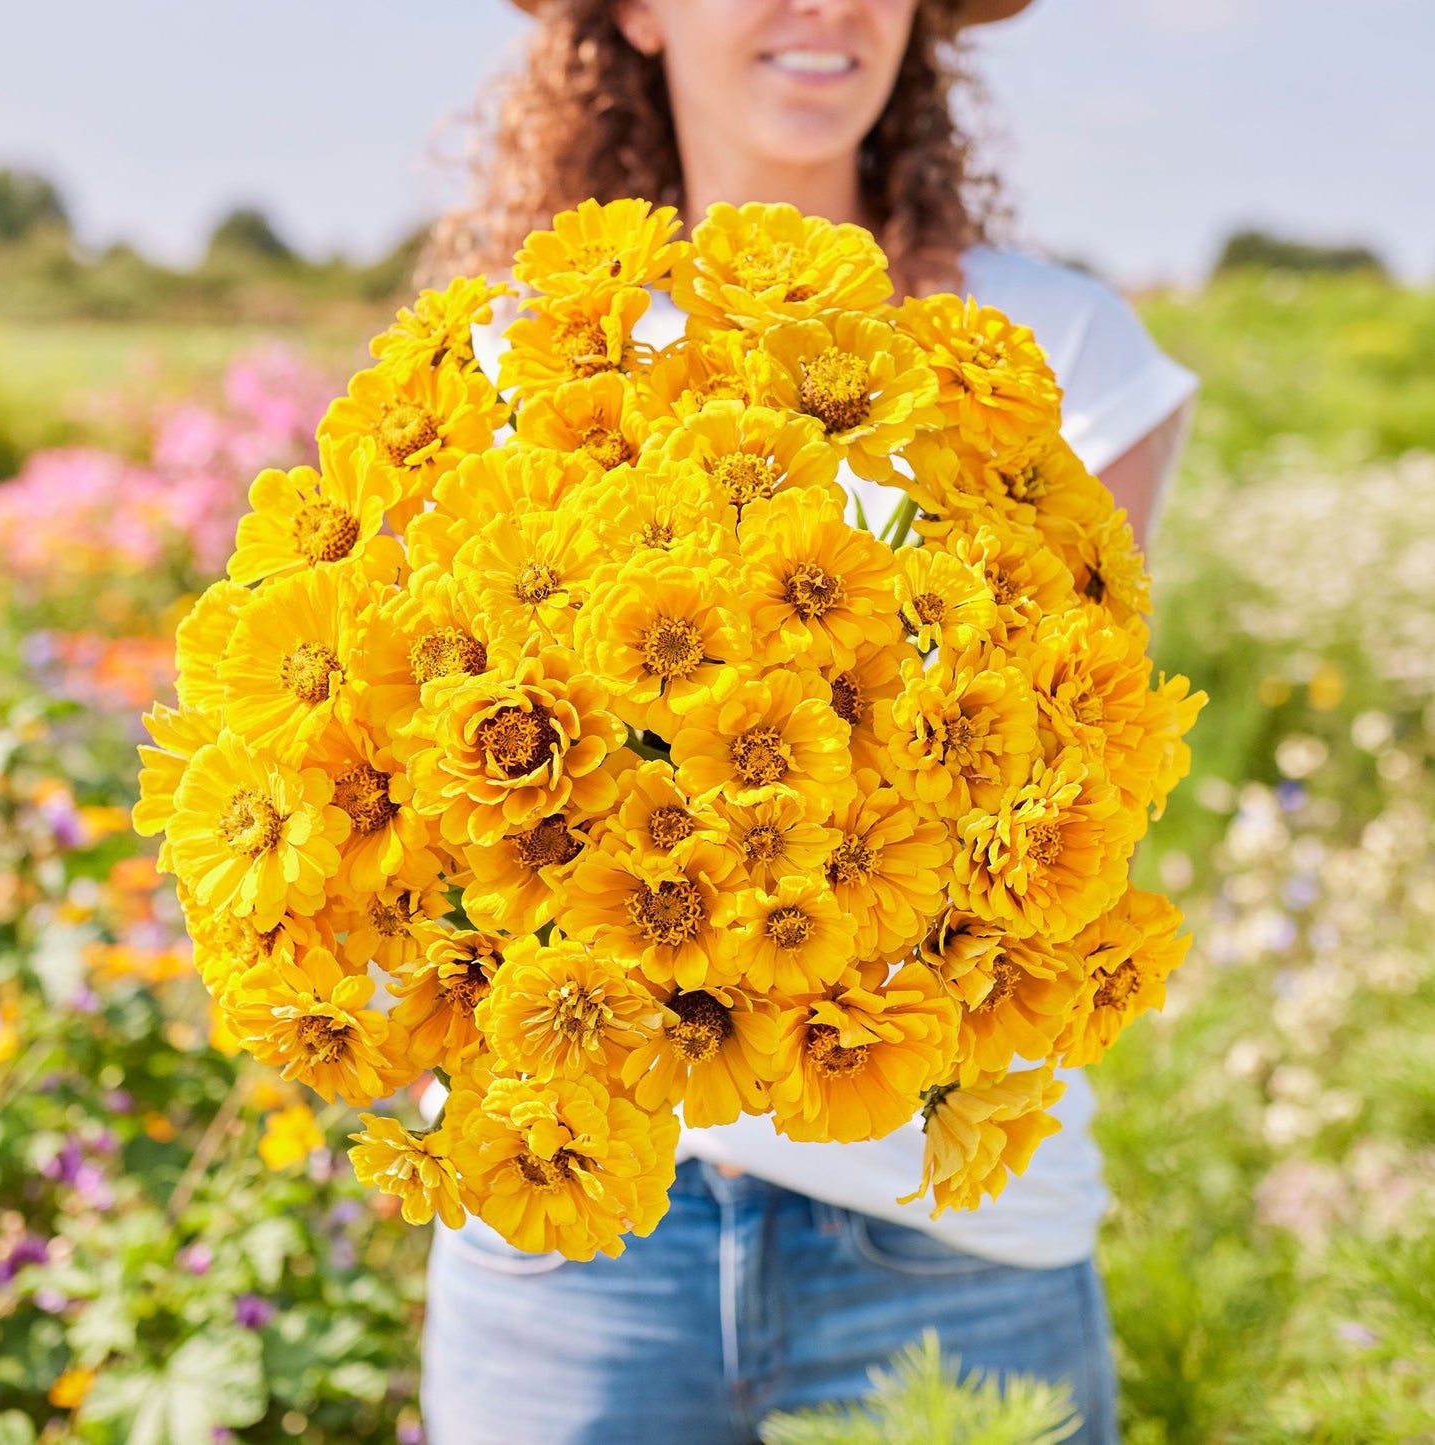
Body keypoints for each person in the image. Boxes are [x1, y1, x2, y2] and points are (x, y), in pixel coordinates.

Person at [418, 3, 1198, 1442]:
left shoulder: (1058, 347)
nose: (822, 4)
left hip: (944, 1249)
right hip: (565, 1223)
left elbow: (1070, 789)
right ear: (634, 16)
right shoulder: (513, 350)